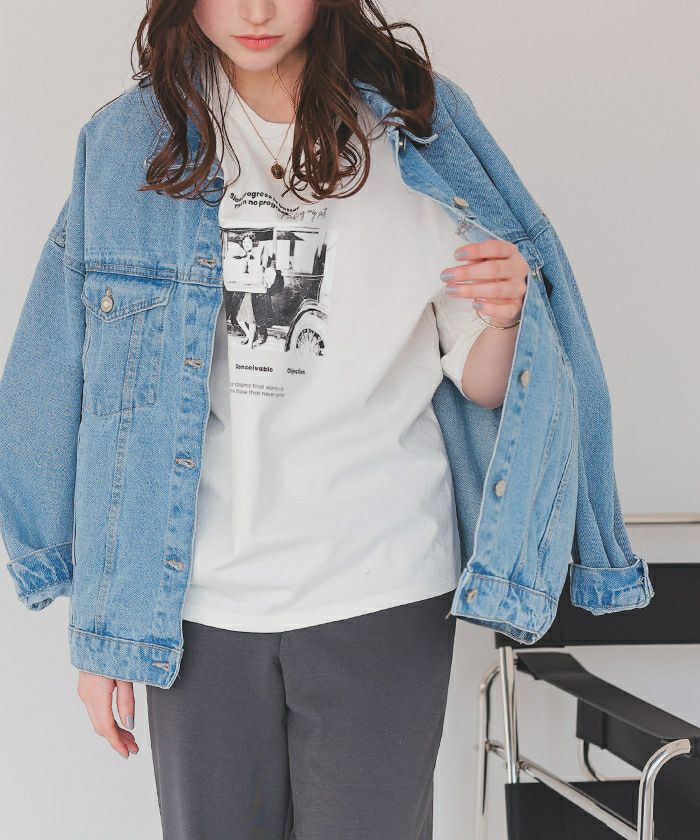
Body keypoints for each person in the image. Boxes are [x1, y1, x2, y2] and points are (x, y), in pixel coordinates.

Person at [4, 1, 533, 838]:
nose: (256, 11)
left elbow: (480, 377)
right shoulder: (128, 143)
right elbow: (65, 374)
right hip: (195, 601)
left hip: (382, 586)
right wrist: (103, 631)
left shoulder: (416, 129)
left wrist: (507, 319)